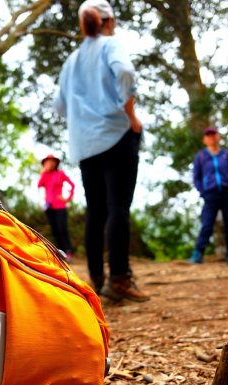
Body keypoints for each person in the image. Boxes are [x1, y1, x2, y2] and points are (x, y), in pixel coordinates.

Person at [53, 0, 149, 302]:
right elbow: (125, 73)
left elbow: (59, 107)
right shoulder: (111, 44)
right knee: (118, 206)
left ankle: (97, 280)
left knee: (96, 210)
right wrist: (131, 115)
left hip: (85, 145)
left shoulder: (71, 61)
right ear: (108, 20)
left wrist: (83, 119)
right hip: (116, 135)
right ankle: (119, 279)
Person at [190, 126, 228, 266]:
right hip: (210, 194)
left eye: (214, 135)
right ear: (204, 139)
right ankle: (197, 254)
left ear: (218, 137)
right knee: (207, 224)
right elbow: (196, 177)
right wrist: (203, 192)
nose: (211, 137)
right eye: (208, 135)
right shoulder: (201, 156)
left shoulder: (227, 155)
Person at [37, 154, 75, 259]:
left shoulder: (60, 174)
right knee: (55, 231)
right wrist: (43, 172)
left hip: (60, 206)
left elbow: (72, 185)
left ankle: (69, 251)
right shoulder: (44, 175)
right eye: (48, 161)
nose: (50, 163)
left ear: (56, 163)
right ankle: (60, 253)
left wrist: (67, 198)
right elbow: (39, 185)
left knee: (62, 229)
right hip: (49, 207)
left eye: (52, 161)